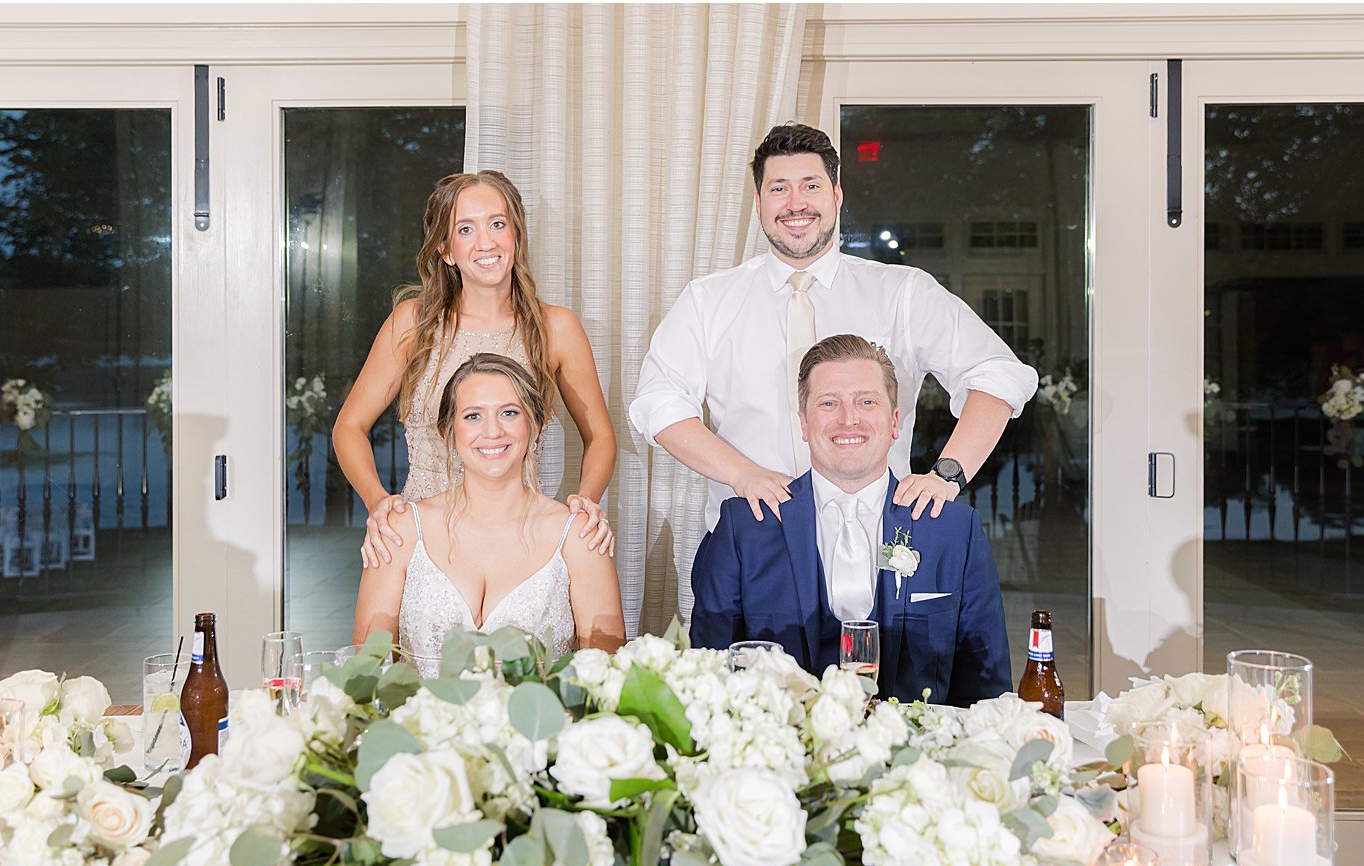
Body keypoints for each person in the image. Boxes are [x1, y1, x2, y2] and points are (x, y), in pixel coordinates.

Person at [630, 122, 1038, 532]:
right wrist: (742, 474)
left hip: (881, 537)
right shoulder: (707, 300)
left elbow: (998, 375)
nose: (795, 203)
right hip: (753, 537)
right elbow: (658, 402)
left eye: (811, 186)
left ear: (836, 196)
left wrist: (946, 475)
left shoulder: (902, 292)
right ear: (758, 203)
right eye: (778, 188)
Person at [690, 334, 1010, 706]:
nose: (848, 419)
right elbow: (709, 676)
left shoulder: (954, 529)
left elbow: (988, 692)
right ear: (804, 425)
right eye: (829, 403)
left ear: (894, 423)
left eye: (867, 401)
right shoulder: (743, 526)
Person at [335, 170, 617, 570]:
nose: (487, 242)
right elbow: (349, 427)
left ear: (515, 235)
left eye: (498, 224)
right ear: (446, 250)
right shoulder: (412, 324)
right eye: (465, 229)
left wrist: (583, 504)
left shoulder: (557, 328)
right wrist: (377, 501)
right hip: (421, 540)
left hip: (520, 539)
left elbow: (601, 436)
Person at [354, 354, 625, 673]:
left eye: (509, 413)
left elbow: (605, 678)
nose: (493, 431)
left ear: (535, 426)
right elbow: (365, 673)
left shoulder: (580, 536)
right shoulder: (398, 531)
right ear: (448, 433)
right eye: (473, 416)